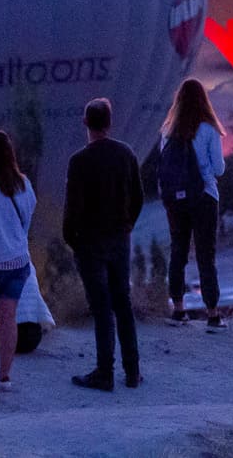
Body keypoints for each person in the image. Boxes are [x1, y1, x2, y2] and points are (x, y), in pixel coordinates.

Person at [63, 97, 144, 392]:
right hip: (119, 240)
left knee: (101, 308)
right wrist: (126, 226)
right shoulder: (126, 154)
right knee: (123, 304)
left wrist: (72, 240)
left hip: (91, 243)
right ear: (109, 123)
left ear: (86, 123)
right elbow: (138, 197)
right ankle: (132, 371)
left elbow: (72, 208)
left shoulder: (79, 161)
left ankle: (105, 372)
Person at [158, 78, 227, 329]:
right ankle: (213, 314)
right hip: (205, 197)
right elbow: (218, 169)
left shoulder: (167, 131)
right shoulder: (208, 129)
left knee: (178, 251)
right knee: (206, 256)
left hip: (176, 201)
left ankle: (178, 310)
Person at [0, 129, 37, 392]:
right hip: (17, 261)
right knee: (7, 319)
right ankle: (3, 375)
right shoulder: (23, 184)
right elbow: (27, 218)